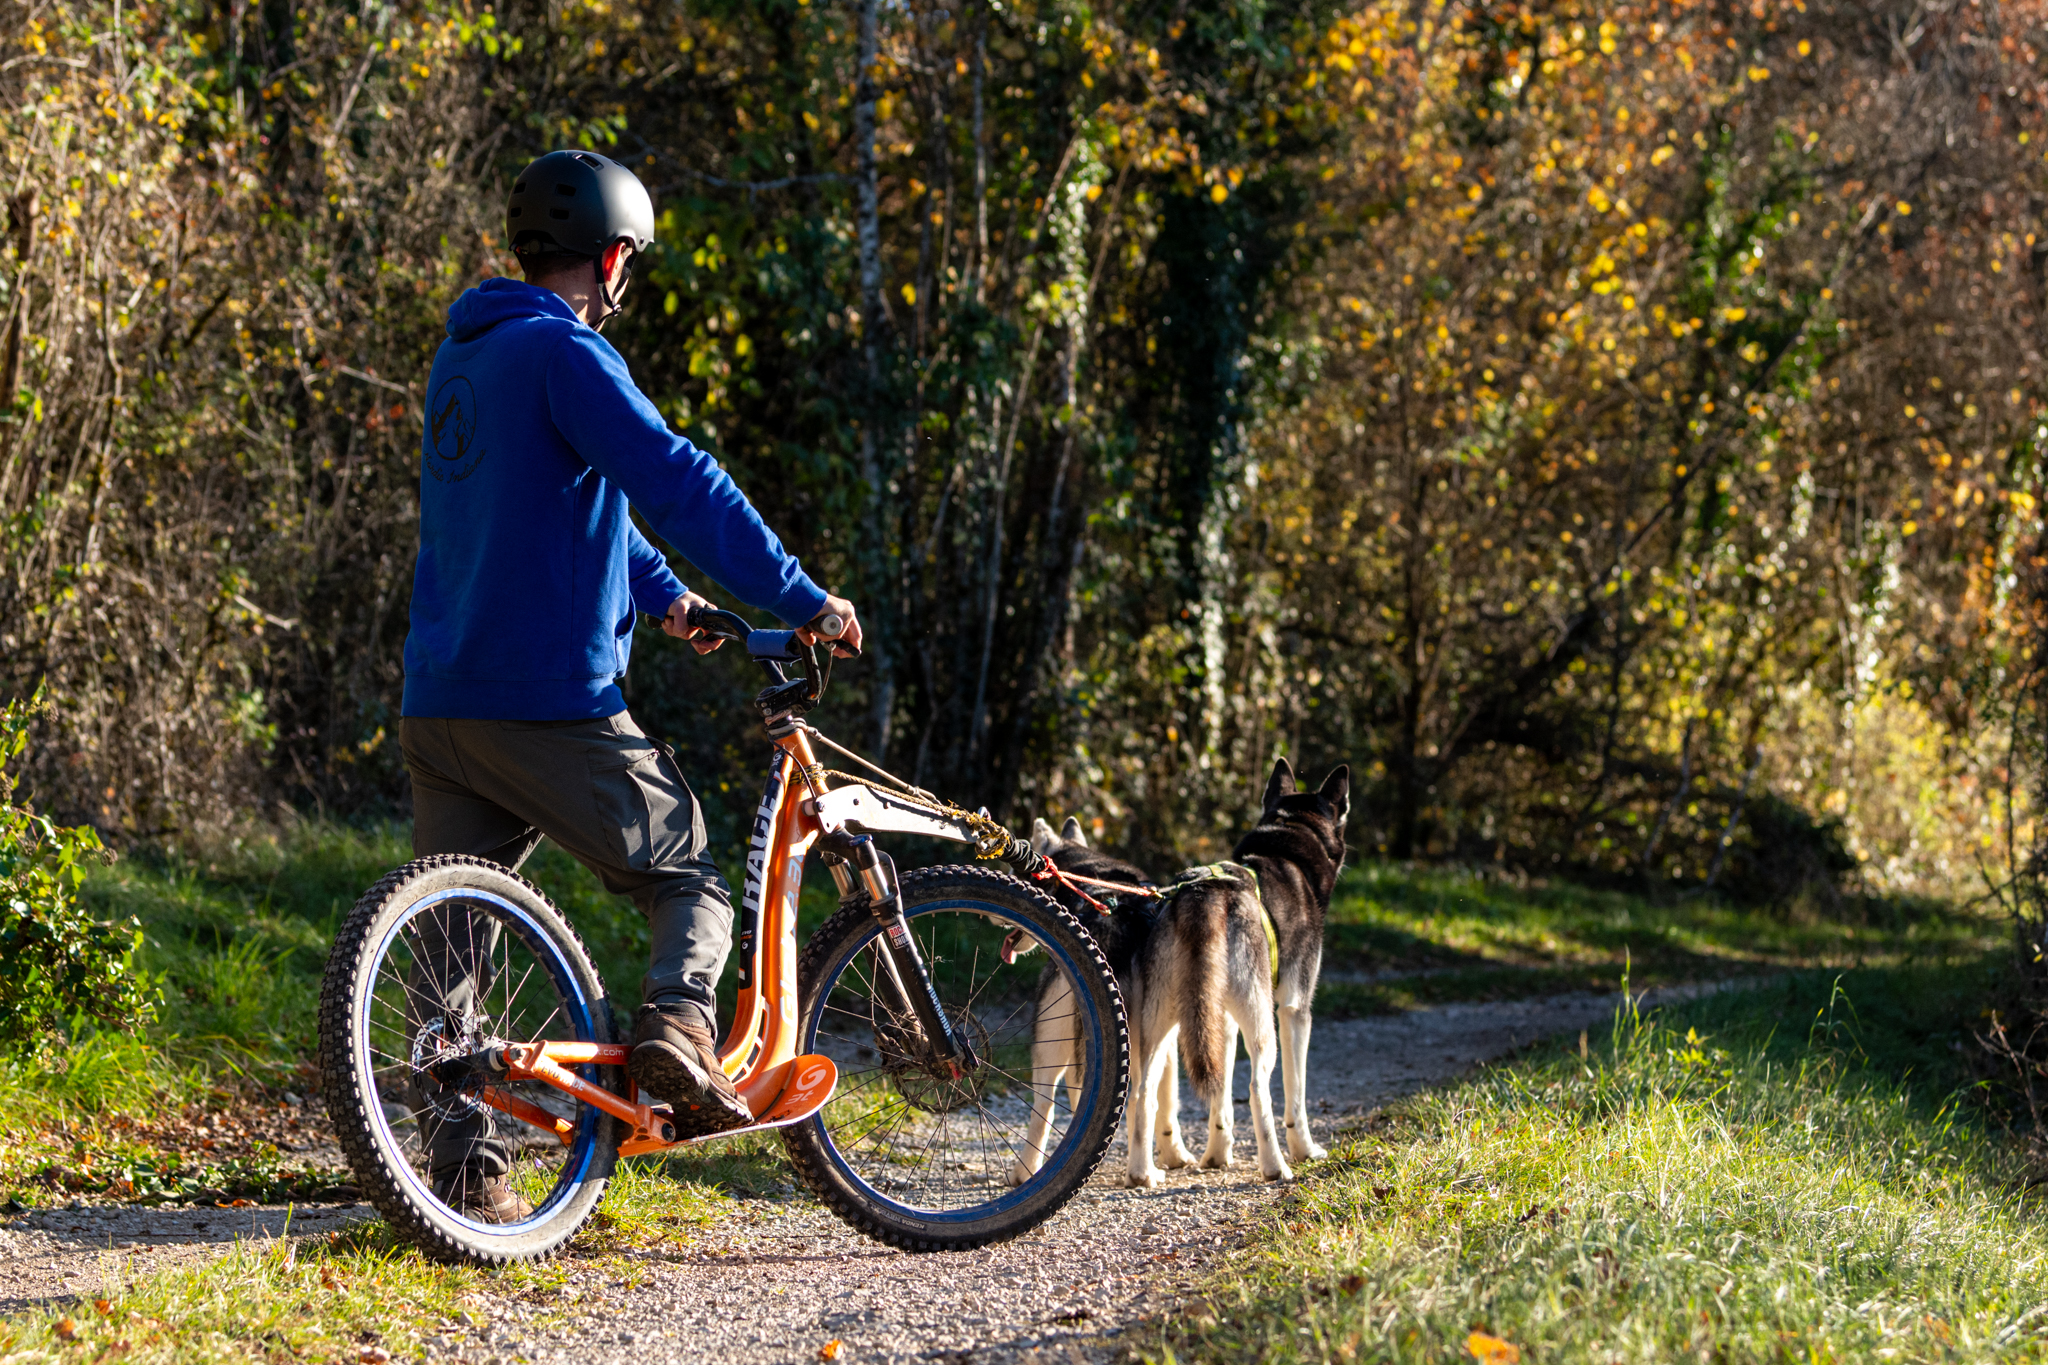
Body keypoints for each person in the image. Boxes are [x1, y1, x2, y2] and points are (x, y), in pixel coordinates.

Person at [399, 148, 861, 1221]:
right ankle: (675, 1031)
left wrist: (661, 598)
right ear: (610, 257)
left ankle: (462, 1168)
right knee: (686, 868)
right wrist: (798, 597)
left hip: (441, 699)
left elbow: (557, 500)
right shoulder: (569, 356)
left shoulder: (463, 359)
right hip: (546, 697)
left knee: (452, 934)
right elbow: (676, 479)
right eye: (629, 266)